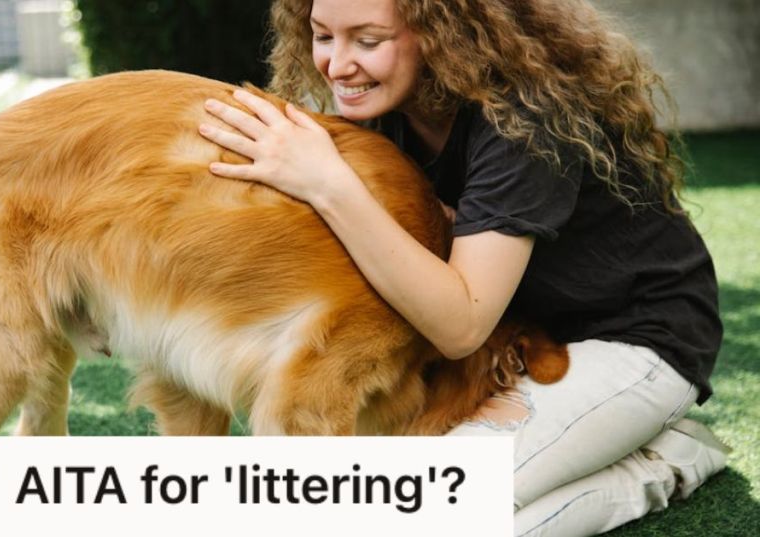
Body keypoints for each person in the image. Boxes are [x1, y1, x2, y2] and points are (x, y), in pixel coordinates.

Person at [196, 0, 730, 535]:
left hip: (631, 341)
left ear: (442, 33)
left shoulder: (525, 118)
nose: (337, 65)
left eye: (368, 40)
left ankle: (665, 464)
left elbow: (460, 325)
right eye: (322, 36)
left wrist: (328, 182)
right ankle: (614, 443)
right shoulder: (388, 110)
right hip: (508, 344)